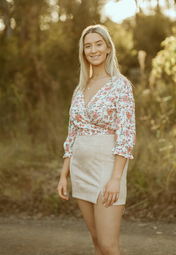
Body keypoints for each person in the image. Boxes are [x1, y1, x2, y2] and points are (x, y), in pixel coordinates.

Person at [57, 24, 136, 255]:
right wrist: (64, 175)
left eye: (98, 44)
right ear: (83, 52)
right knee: (96, 242)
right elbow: (72, 134)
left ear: (108, 48)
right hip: (81, 168)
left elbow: (126, 134)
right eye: (88, 46)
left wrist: (116, 178)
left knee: (109, 247)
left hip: (107, 168)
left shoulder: (119, 85)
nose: (93, 50)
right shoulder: (80, 88)